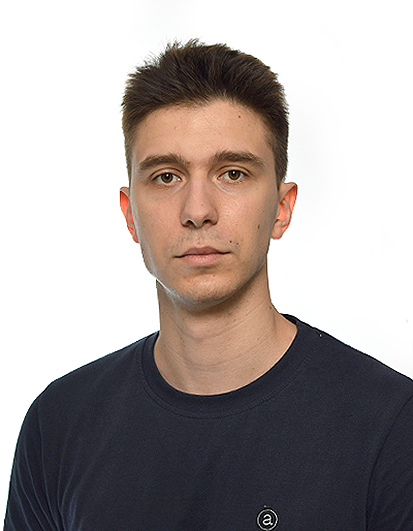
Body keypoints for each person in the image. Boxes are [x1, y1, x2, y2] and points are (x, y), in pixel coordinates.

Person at [4, 40, 413, 531]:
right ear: (130, 214)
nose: (198, 211)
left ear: (281, 208)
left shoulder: (391, 427)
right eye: (167, 176)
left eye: (232, 173)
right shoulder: (59, 425)